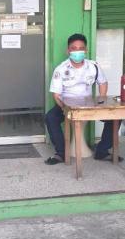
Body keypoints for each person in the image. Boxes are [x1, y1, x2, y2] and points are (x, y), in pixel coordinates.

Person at [45, 33, 122, 165]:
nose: (77, 51)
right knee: (50, 117)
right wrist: (65, 108)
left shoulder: (93, 66)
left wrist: (102, 100)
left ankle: (102, 151)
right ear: (68, 50)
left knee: (116, 115)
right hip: (66, 104)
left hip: (89, 104)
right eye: (74, 48)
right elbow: (56, 95)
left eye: (81, 48)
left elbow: (103, 82)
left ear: (86, 50)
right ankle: (62, 153)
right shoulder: (61, 69)